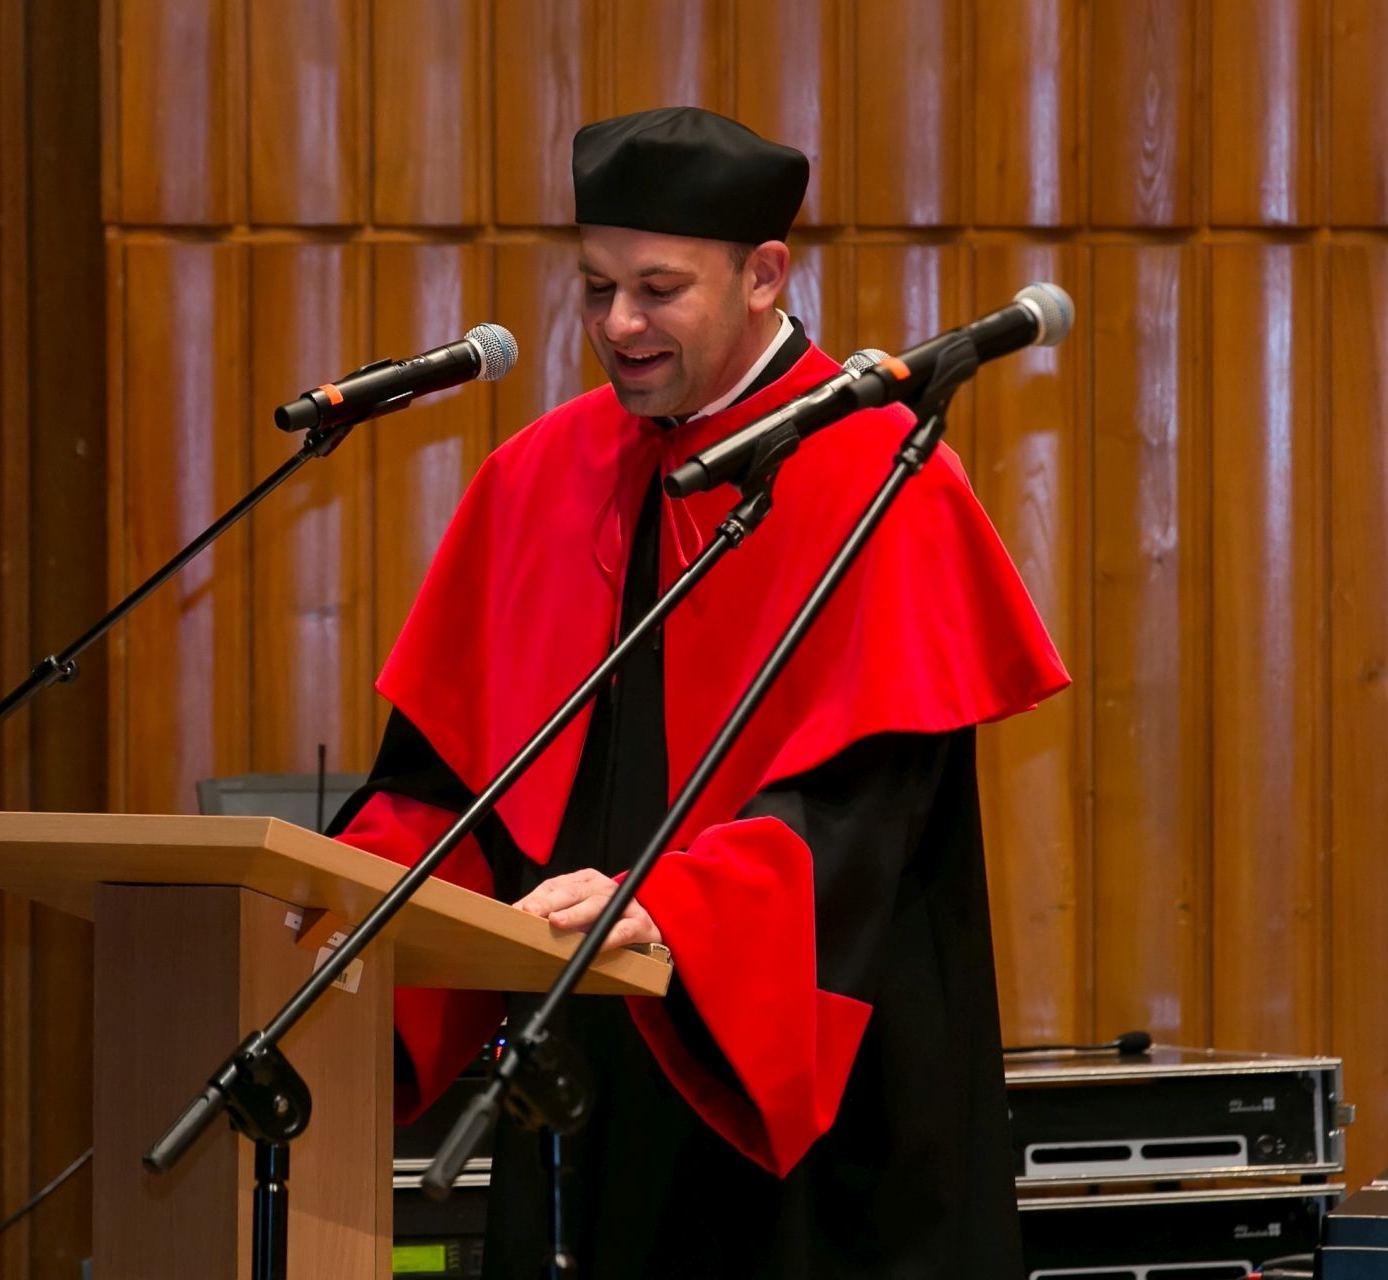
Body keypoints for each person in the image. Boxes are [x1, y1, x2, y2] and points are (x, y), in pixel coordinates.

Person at [328, 106, 1069, 1278]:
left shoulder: (882, 472)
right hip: (578, 1066)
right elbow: (446, 784)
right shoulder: (538, 476)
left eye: (658, 289)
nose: (618, 324)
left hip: (808, 1095)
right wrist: (337, 915)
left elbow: (858, 815)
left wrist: (680, 906)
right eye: (596, 288)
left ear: (763, 275)